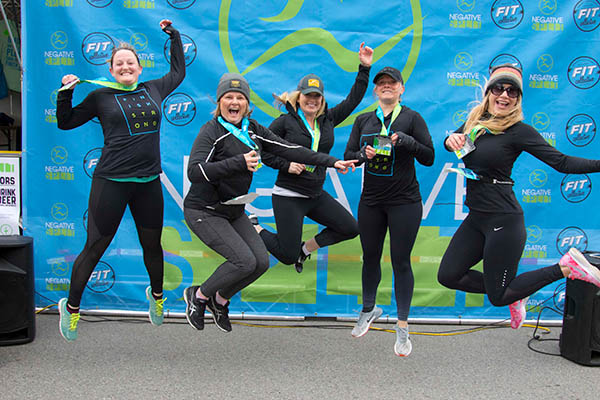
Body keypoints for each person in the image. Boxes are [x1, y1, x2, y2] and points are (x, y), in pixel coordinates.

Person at [182, 73, 357, 333]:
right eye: (228, 97)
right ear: (219, 103)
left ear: (246, 104)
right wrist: (238, 163)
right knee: (244, 261)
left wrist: (333, 162)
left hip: (234, 209)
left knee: (261, 262)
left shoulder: (251, 129)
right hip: (204, 211)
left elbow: (290, 149)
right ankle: (199, 295)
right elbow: (195, 172)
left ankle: (220, 300)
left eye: (239, 98)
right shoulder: (212, 132)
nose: (234, 102)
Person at [438, 63, 600, 333]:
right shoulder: (475, 123)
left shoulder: (518, 131)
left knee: (499, 296)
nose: (504, 95)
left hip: (503, 219)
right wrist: (450, 141)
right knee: (448, 275)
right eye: (499, 88)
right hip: (477, 218)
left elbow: (562, 162)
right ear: (488, 92)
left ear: (517, 99)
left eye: (512, 91)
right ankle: (517, 292)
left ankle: (565, 267)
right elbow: (453, 140)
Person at [55, 20, 185, 342]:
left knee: (152, 246)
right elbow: (66, 123)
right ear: (112, 70)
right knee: (95, 247)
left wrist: (174, 36)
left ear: (139, 68)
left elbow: (179, 72)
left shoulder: (154, 88)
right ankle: (71, 310)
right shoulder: (100, 95)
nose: (125, 67)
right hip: (111, 182)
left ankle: (156, 297)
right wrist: (65, 94)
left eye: (130, 62)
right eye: (119, 64)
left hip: (147, 184)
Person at [252, 43, 373, 273]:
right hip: (289, 195)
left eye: (317, 96)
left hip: (314, 193)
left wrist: (364, 68)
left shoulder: (328, 119)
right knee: (286, 256)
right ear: (299, 97)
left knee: (349, 228)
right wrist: (286, 165)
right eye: (308, 95)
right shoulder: (284, 122)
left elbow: (353, 100)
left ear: (322, 99)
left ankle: (304, 250)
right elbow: (262, 150)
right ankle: (255, 229)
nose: (313, 100)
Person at [343, 66, 434, 357]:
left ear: (401, 89)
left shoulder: (412, 118)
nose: (386, 87)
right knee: (369, 256)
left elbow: (430, 156)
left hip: (404, 202)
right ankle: (368, 309)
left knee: (400, 261)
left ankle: (403, 326)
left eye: (391, 83)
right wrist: (361, 155)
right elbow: (348, 157)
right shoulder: (363, 120)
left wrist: (406, 141)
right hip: (371, 200)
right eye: (381, 83)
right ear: (375, 90)